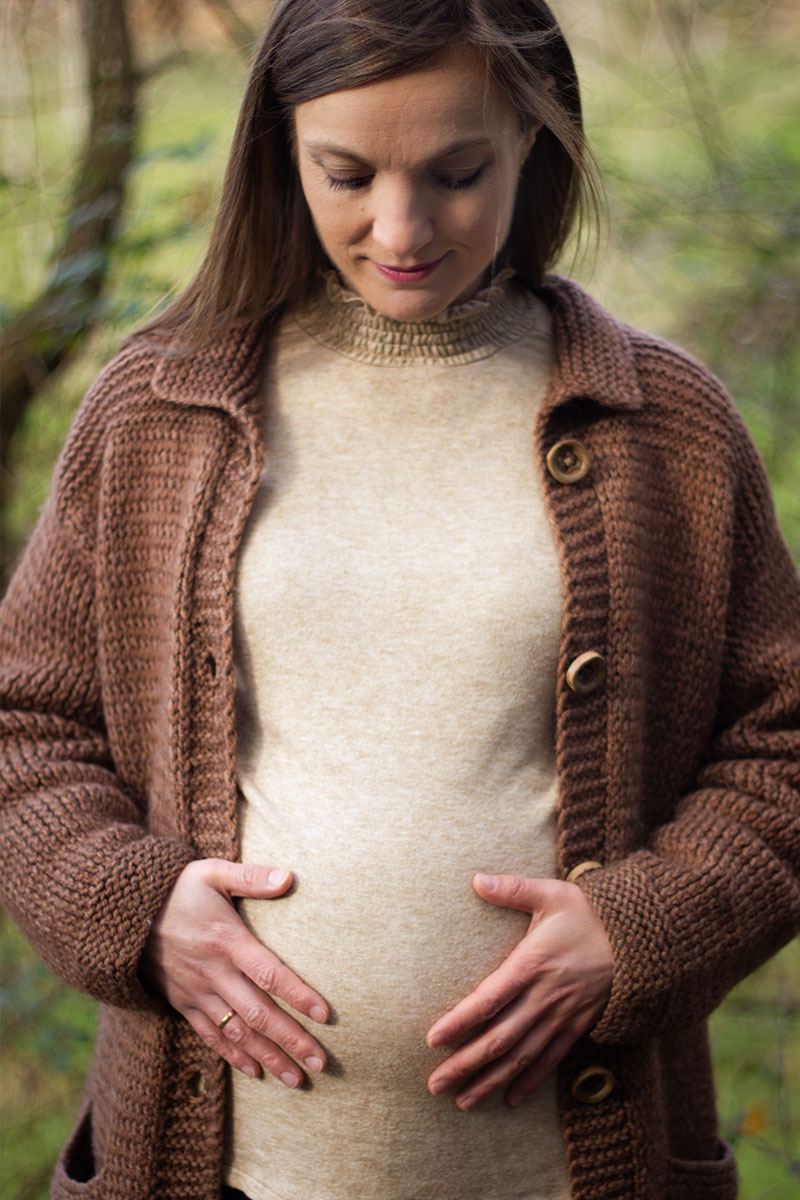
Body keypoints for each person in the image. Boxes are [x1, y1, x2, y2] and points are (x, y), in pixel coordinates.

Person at [1, 1, 798, 1197]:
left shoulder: (657, 427)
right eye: (346, 173)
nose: (401, 226)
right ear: (279, 151)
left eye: (457, 171)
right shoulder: (159, 412)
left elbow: (781, 746)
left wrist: (643, 929)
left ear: (534, 138)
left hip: (577, 1169)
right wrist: (134, 906)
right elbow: (26, 726)